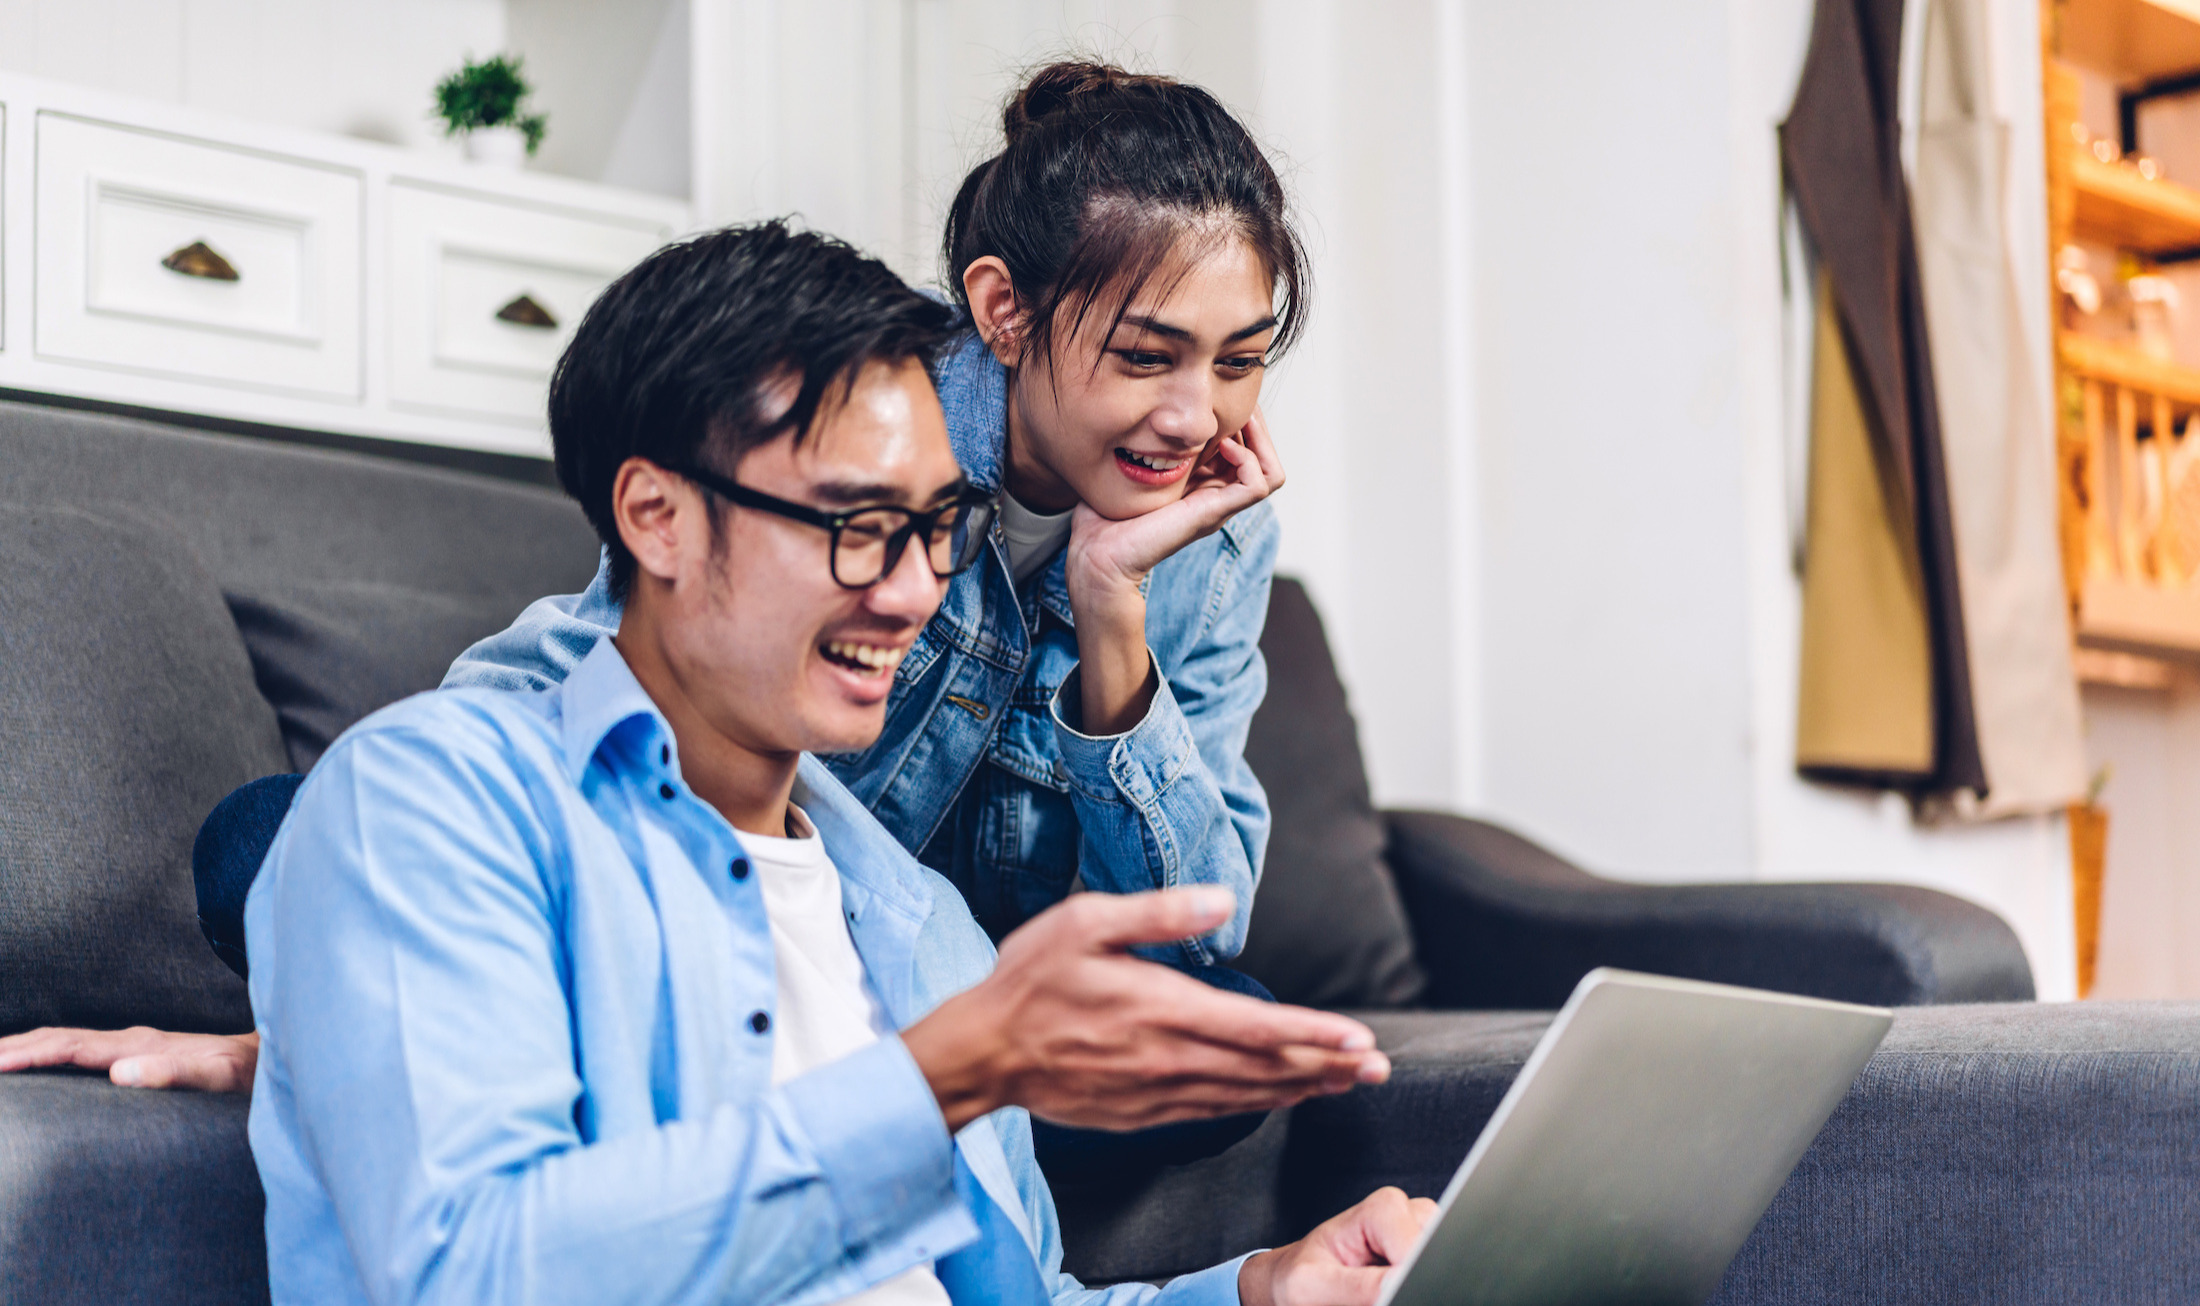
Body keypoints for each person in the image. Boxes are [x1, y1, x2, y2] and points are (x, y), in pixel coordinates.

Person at [2, 60, 1302, 1163]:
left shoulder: (1210, 525)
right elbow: (547, 696)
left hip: (939, 979)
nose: (1195, 416)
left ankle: (660, 1074)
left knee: (1227, 1037)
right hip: (699, 937)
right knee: (281, 838)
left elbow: (1197, 916)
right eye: (1149, 355)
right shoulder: (848, 414)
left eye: (1238, 360)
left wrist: (1111, 608)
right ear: (1001, 308)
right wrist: (379, 953)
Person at [248, 221, 1429, 1306]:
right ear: (656, 517)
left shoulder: (916, 927)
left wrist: (1256, 1289)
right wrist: (943, 1077)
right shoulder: (427, 798)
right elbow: (471, 1273)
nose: (916, 589)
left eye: (936, 528)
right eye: (857, 528)